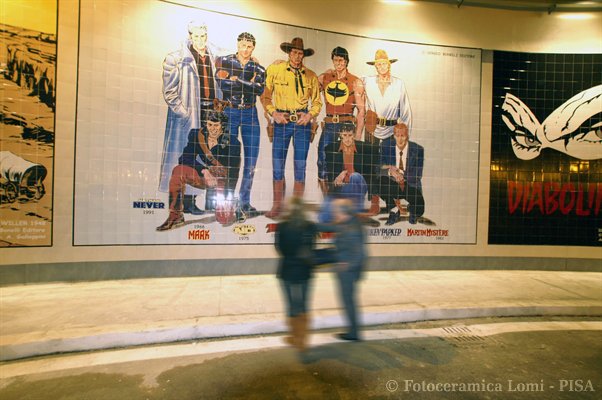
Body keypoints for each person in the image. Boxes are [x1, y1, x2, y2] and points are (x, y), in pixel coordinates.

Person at [159, 21, 221, 215]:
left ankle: (212, 201)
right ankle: (188, 201)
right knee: (190, 156)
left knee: (213, 153)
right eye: (196, 36)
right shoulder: (177, 58)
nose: (200, 40)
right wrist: (184, 112)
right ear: (190, 36)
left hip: (210, 113)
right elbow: (169, 92)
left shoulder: (215, 56)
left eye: (203, 36)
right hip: (191, 114)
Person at [261, 37, 322, 218]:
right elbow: (265, 96)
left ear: (304, 55)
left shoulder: (310, 75)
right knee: (277, 164)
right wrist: (274, 113)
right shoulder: (275, 70)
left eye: (300, 53)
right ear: (289, 53)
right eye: (294, 52)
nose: (297, 56)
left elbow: (317, 102)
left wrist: (310, 115)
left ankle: (296, 210)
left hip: (302, 123)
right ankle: (277, 206)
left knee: (300, 165)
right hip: (282, 122)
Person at [156, 111, 241, 231]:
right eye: (209, 124)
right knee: (178, 171)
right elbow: (184, 158)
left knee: (224, 220)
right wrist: (204, 171)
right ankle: (175, 216)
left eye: (216, 125)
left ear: (223, 125)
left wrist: (229, 197)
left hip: (221, 180)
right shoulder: (197, 135)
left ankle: (234, 206)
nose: (212, 129)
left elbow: (233, 173)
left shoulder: (233, 143)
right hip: (203, 176)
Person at [214, 32, 266, 217]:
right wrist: (247, 83)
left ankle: (244, 203)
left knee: (251, 162)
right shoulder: (226, 61)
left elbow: (259, 89)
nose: (245, 49)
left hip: (250, 112)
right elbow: (223, 85)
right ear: (237, 45)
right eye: (243, 45)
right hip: (231, 111)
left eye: (249, 46)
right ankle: (225, 203)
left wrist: (238, 80)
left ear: (253, 48)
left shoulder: (259, 68)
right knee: (228, 158)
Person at [316, 47, 367, 199]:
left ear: (346, 62)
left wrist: (358, 134)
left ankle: (348, 199)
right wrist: (322, 74)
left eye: (341, 60)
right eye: (335, 60)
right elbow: (311, 87)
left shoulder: (355, 82)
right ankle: (327, 198)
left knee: (347, 161)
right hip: (330, 123)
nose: (338, 63)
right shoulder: (327, 78)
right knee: (322, 158)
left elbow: (362, 111)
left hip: (347, 125)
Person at [356, 49, 412, 171]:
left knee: (390, 167)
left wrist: (405, 138)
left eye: (384, 63)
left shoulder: (399, 84)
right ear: (375, 66)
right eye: (378, 64)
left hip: (391, 130)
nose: (381, 67)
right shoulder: (368, 81)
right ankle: (371, 190)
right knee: (370, 166)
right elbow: (354, 81)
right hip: (372, 129)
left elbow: (406, 113)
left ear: (389, 64)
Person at [319, 198, 367, 341]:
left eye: (335, 211)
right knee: (348, 301)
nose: (333, 214)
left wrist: (346, 265)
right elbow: (332, 228)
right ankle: (353, 330)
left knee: (348, 302)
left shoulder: (352, 229)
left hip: (348, 273)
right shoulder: (349, 222)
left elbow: (360, 254)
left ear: (343, 212)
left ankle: (354, 332)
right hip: (347, 271)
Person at [274, 197, 318, 351]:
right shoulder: (310, 227)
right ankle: (303, 340)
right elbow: (312, 247)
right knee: (304, 305)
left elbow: (279, 248)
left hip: (287, 270)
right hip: (305, 270)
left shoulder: (282, 226)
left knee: (291, 305)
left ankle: (294, 336)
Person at [323, 122, 380, 214]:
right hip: (343, 187)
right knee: (325, 216)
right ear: (340, 135)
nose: (347, 138)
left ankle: (354, 210)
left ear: (354, 135)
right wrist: (336, 179)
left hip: (359, 184)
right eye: (345, 135)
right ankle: (349, 211)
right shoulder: (331, 148)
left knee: (355, 176)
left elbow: (372, 173)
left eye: (350, 135)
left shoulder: (365, 148)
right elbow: (330, 172)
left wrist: (375, 199)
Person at [378, 122, 425, 225]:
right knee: (379, 181)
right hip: (393, 184)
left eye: (402, 136)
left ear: (407, 136)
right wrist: (390, 171)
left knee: (420, 209)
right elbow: (379, 167)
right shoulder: (385, 146)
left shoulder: (418, 150)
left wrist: (401, 174)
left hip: (409, 184)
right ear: (394, 136)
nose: (400, 139)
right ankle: (394, 211)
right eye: (397, 136)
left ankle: (413, 212)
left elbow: (418, 174)